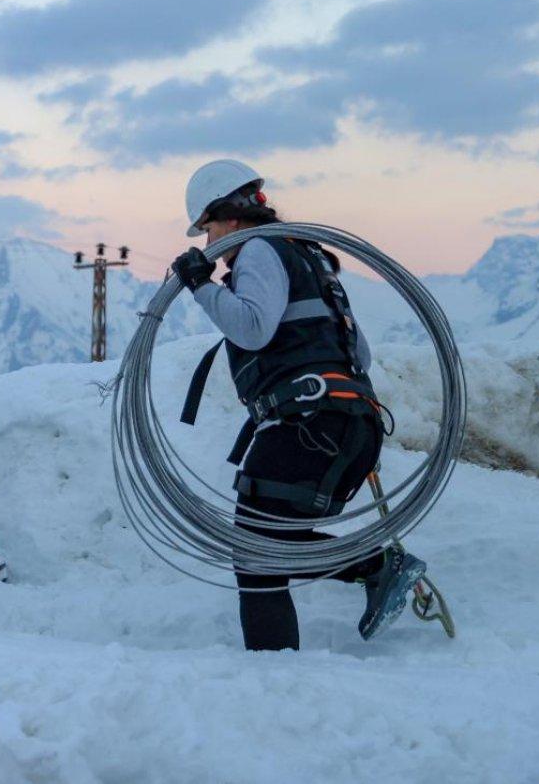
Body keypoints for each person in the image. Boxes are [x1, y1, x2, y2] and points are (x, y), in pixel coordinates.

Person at [173, 159, 427, 651]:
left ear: (227, 216)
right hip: (346, 425)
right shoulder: (304, 254)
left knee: (256, 549)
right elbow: (362, 354)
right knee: (267, 546)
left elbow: (252, 327)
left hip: (310, 425)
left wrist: (202, 286)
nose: (209, 245)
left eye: (208, 229)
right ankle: (374, 570)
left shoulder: (261, 252)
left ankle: (276, 670)